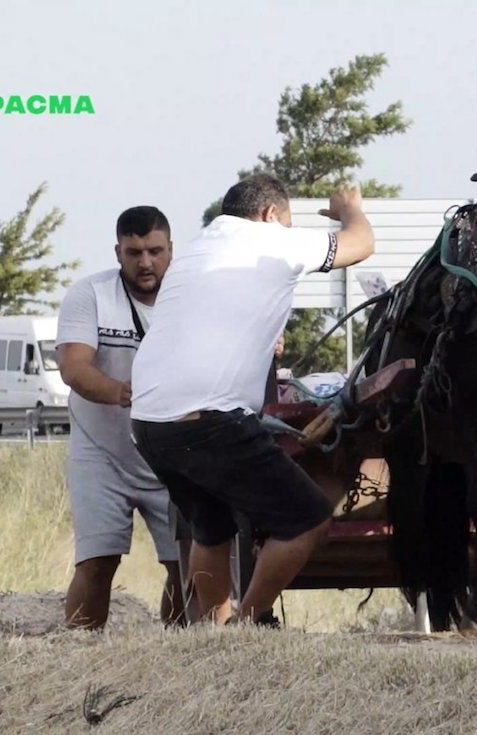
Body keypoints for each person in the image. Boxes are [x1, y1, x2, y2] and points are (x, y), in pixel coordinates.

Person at [130, 174, 374, 625]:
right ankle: (248, 623)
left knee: (212, 527)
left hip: (150, 422)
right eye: (287, 221)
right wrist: (348, 209)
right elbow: (360, 243)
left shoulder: (197, 251)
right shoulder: (269, 241)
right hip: (209, 420)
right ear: (269, 215)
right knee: (309, 520)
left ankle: (216, 629)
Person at [58, 205, 184, 630]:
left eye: (154, 250)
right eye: (134, 252)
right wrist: (124, 393)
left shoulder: (193, 296)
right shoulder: (89, 294)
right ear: (117, 252)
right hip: (101, 453)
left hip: (171, 453)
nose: (145, 262)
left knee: (184, 562)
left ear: (171, 249)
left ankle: (180, 651)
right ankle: (78, 653)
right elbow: (74, 368)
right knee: (97, 561)